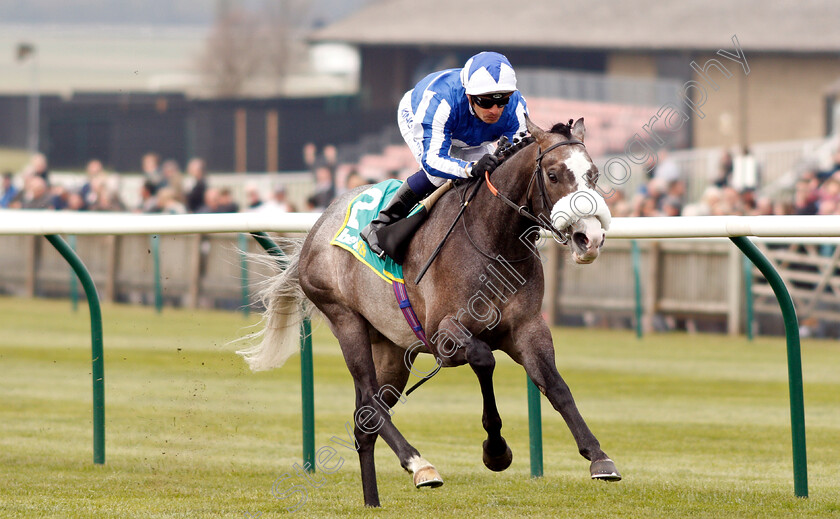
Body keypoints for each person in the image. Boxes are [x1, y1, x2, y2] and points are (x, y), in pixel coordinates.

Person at [361, 51, 528, 258]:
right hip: (418, 115)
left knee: (495, 174)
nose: (494, 110)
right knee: (439, 176)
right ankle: (382, 224)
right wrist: (470, 168)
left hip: (471, 134)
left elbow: (514, 158)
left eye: (502, 100)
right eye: (485, 102)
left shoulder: (517, 107)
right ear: (469, 96)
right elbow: (433, 162)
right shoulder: (441, 101)